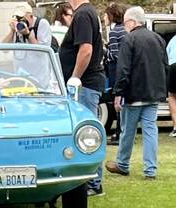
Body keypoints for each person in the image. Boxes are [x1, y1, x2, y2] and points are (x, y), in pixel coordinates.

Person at [109, 4, 165, 178]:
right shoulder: (158, 39)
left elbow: (123, 69)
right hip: (153, 93)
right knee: (150, 131)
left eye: (126, 23)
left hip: (134, 94)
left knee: (128, 131)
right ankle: (150, 169)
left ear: (132, 22)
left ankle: (123, 163)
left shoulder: (129, 39)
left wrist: (119, 93)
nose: (125, 26)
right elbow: (165, 66)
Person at [62, 0, 107, 191]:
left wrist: (74, 78)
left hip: (84, 84)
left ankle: (92, 182)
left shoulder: (82, 15)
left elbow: (86, 50)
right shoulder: (88, 13)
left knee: (86, 135)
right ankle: (90, 180)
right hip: (88, 83)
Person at [104, 1, 126, 136]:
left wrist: (103, 50)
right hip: (125, 69)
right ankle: (122, 129)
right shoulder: (125, 30)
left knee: (116, 99)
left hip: (115, 69)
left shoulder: (114, 32)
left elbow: (114, 55)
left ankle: (119, 130)